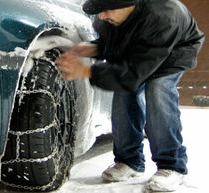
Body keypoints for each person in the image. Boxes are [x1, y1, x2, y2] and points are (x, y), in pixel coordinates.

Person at [57, 0, 205, 192]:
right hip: (145, 49)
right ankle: (130, 161)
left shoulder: (164, 16)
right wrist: (92, 48)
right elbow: (117, 45)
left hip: (173, 52)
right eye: (100, 11)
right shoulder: (108, 18)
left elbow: (133, 73)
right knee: (123, 95)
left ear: (130, 4)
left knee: (158, 91)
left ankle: (171, 165)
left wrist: (87, 71)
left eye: (107, 9)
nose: (102, 15)